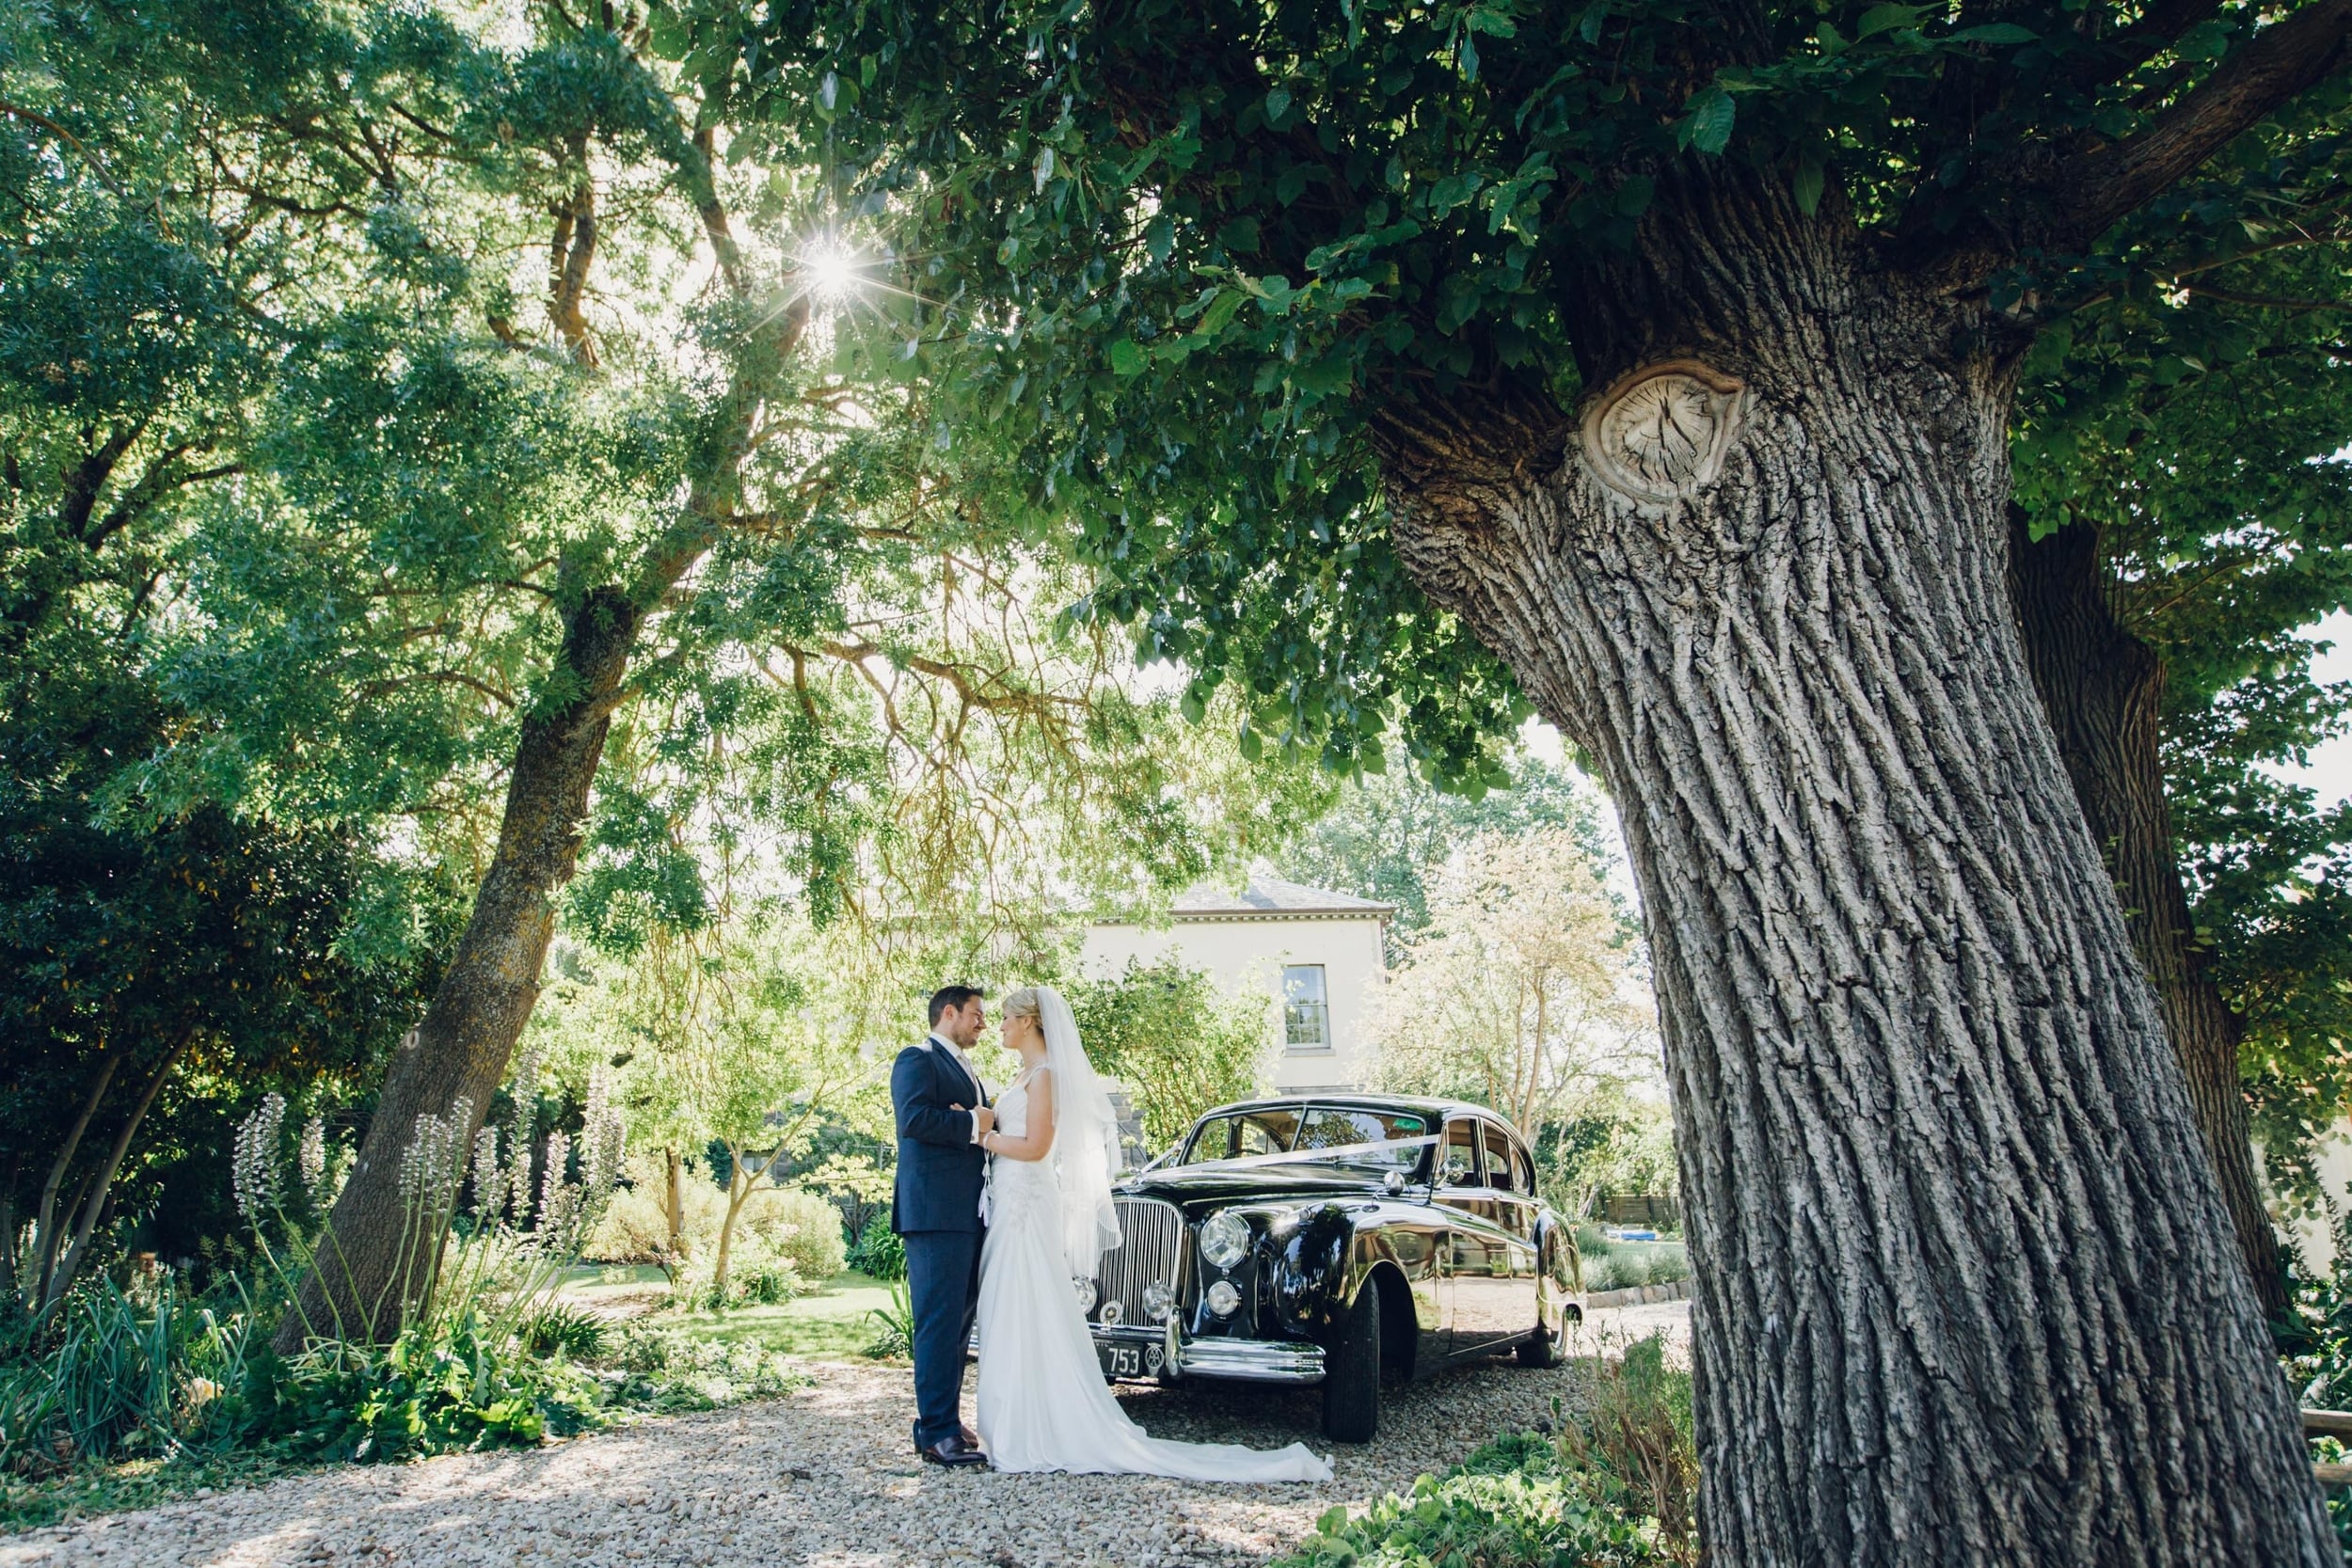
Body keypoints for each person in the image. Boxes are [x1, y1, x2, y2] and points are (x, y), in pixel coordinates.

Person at [972, 985, 1332, 1481]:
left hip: (1026, 1204)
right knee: (1015, 1310)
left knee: (1028, 1306)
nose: (1000, 1026)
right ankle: (1013, 1420)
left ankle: (1035, 1428)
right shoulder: (1024, 1075)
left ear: (1030, 1022)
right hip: (1012, 1201)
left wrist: (983, 1135)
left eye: (1008, 1018)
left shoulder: (1046, 1077)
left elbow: (1036, 1147)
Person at [890, 985, 994, 1466]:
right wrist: (973, 1123)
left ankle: (945, 1421)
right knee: (937, 1324)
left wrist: (974, 1120)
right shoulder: (918, 1059)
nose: (982, 1023)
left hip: (965, 1214)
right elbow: (914, 1120)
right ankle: (934, 1433)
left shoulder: (965, 1067)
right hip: (933, 1214)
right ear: (948, 1013)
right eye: (975, 1014)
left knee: (957, 1327)